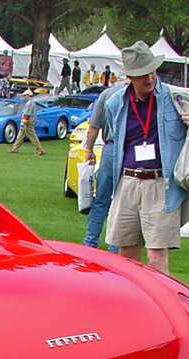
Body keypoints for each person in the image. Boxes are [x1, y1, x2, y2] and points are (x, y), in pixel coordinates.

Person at [103, 41, 189, 275]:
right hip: (126, 182)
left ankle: (160, 307)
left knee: (156, 257)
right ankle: (133, 306)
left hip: (161, 184)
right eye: (142, 74)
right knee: (126, 254)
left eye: (152, 71)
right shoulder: (114, 103)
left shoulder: (176, 96)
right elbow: (113, 140)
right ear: (130, 77)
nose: (150, 78)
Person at [81, 79, 126, 252]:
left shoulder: (107, 94)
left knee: (101, 198)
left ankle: (90, 241)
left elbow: (94, 125)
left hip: (111, 147)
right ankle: (115, 245)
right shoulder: (137, 94)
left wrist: (89, 150)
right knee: (121, 200)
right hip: (129, 149)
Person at [7, 89, 44, 155]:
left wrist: (23, 123)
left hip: (28, 122)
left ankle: (39, 150)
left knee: (32, 136)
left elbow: (27, 114)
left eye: (24, 95)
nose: (23, 97)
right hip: (27, 122)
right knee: (20, 136)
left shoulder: (30, 103)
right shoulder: (30, 102)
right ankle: (15, 149)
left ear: (28, 95)